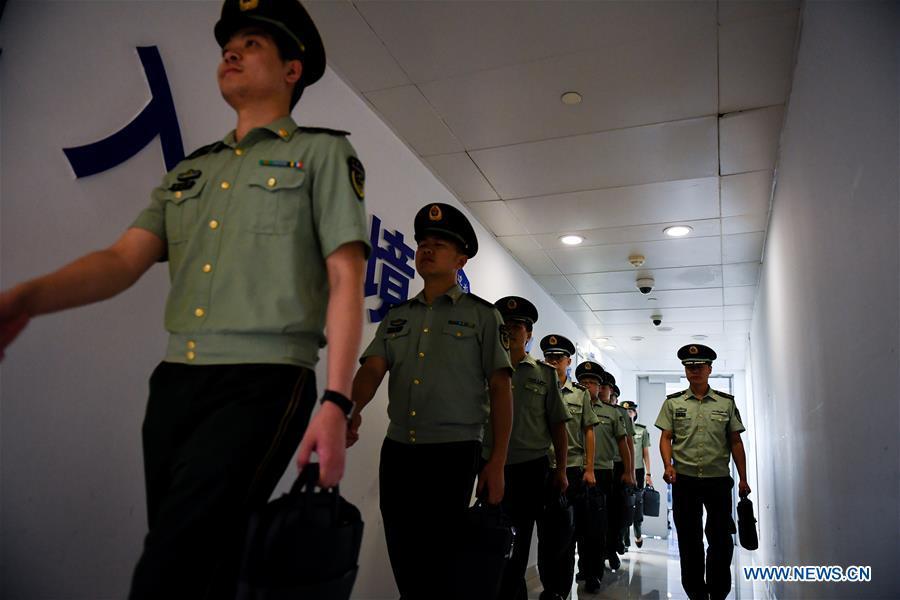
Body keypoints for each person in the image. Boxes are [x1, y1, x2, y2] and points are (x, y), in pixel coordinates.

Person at [0, 1, 370, 598]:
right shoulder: (190, 173)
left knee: (171, 569)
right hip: (175, 382)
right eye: (229, 44)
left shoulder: (323, 154)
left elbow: (345, 277)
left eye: (252, 43)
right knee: (200, 564)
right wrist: (25, 297)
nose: (232, 51)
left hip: (263, 381)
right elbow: (121, 261)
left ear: (292, 69)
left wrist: (335, 399)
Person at [347, 202, 513, 600]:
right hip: (398, 451)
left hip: (453, 453)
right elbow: (372, 369)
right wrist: (350, 410)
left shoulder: (483, 317)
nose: (427, 248)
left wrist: (497, 461)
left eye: (440, 244)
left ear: (461, 259)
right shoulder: (397, 316)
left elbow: (500, 389)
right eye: (423, 242)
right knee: (403, 552)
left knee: (442, 559)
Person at [483, 297, 570, 600]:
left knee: (520, 543)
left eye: (517, 325)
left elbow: (558, 425)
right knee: (490, 541)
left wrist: (561, 469)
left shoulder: (544, 374)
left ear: (529, 333)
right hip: (489, 464)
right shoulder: (483, 367)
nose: (510, 329)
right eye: (505, 324)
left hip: (529, 470)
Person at [656, 344, 751, 600]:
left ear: (709, 369)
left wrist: (743, 478)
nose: (694, 370)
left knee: (720, 540)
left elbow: (735, 442)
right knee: (689, 541)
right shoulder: (673, 403)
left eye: (699, 366)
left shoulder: (726, 403)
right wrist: (667, 465)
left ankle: (718, 592)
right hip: (685, 481)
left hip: (718, 481)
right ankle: (696, 593)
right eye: (689, 367)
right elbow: (666, 437)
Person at [534, 334, 599, 600]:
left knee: (566, 533)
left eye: (558, 358)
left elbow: (589, 431)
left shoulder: (579, 394)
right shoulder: (536, 387)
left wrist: (589, 468)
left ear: (568, 362)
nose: (553, 361)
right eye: (549, 357)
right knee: (544, 533)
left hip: (571, 469)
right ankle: (549, 587)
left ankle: (560, 589)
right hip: (542, 467)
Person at [575, 360, 632, 593]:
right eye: (584, 382)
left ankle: (594, 574)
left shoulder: (612, 413)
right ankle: (583, 567)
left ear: (600, 387)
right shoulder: (571, 406)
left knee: (597, 526)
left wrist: (629, 471)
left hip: (602, 472)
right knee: (579, 525)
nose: (588, 386)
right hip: (576, 471)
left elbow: (624, 444)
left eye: (592, 382)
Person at [600, 371, 635, 568]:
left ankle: (612, 549)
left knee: (615, 511)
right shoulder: (589, 408)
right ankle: (595, 557)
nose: (600, 390)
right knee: (595, 512)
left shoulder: (621, 413)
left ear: (611, 390)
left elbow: (629, 443)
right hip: (597, 465)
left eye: (604, 387)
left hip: (617, 466)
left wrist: (630, 471)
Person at [619, 399, 652, 549]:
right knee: (624, 504)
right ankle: (624, 540)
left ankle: (638, 532)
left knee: (637, 504)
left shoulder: (641, 431)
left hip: (638, 471)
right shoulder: (618, 428)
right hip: (623, 469)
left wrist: (648, 474)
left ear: (635, 413)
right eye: (625, 411)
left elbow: (646, 454)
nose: (628, 413)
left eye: (631, 411)